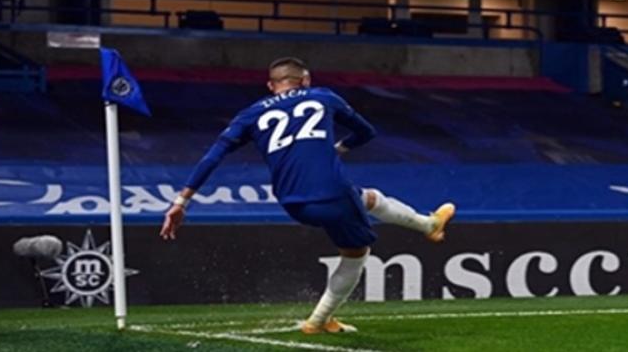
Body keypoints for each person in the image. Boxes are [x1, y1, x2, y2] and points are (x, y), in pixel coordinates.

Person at [160, 57, 455, 334]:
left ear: (271, 85)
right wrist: (339, 148)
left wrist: (181, 202)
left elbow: (212, 157)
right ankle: (319, 320)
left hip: (291, 201)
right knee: (357, 253)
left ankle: (428, 224)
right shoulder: (323, 96)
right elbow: (366, 132)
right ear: (305, 80)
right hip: (331, 193)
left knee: (368, 198)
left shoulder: (251, 113)